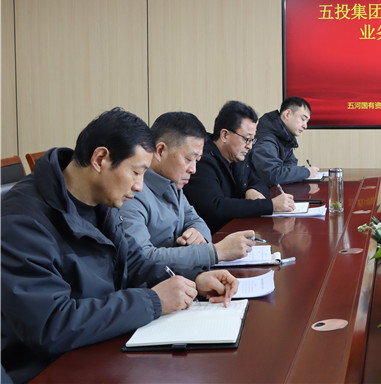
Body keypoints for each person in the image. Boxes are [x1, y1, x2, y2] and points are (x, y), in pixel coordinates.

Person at [1, 109, 238, 383]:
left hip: (103, 344)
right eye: (136, 173)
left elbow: (134, 261)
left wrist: (191, 282)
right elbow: (51, 326)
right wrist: (153, 301)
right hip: (52, 368)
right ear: (100, 159)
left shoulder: (100, 198)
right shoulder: (22, 220)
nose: (140, 186)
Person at [120, 112, 257, 273]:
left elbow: (197, 221)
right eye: (188, 159)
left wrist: (197, 234)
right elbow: (142, 259)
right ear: (160, 150)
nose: (193, 169)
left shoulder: (172, 183)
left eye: (197, 161)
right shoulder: (132, 193)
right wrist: (215, 252)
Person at [183, 101, 294, 233]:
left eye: (252, 140)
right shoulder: (202, 160)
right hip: (214, 237)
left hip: (237, 230)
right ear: (225, 135)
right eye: (247, 139)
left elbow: (258, 181)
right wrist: (270, 205)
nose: (249, 146)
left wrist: (252, 190)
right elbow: (216, 207)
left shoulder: (237, 156)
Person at [249, 96, 320, 185]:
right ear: (287, 114)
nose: (305, 126)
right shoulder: (266, 140)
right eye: (303, 119)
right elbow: (273, 175)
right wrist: (306, 172)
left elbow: (289, 167)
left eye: (307, 121)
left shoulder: (285, 138)